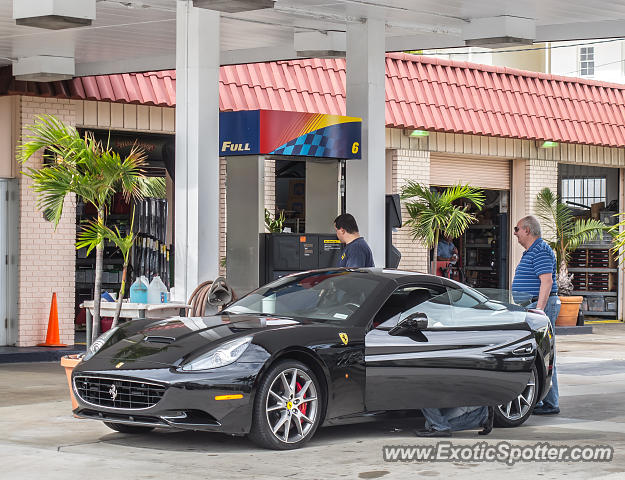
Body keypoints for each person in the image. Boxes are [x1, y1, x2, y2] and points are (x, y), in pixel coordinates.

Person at [512, 215, 561, 415]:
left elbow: (546, 281)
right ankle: (540, 400)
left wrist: (539, 310)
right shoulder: (531, 251)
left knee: (544, 353)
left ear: (527, 230)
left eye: (517, 229)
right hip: (532, 304)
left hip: (540, 305)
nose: (515, 233)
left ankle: (550, 403)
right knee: (537, 354)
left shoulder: (540, 250)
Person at [416, 406, 494, 437]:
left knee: (432, 424)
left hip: (467, 400)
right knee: (430, 424)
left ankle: (481, 414)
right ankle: (482, 416)